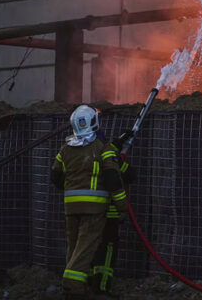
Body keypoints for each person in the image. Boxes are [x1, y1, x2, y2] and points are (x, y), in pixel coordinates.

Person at [50, 105, 129, 299]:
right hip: (94, 208)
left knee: (75, 246)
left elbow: (55, 177)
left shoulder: (65, 149)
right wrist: (122, 207)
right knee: (85, 247)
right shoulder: (102, 148)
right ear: (94, 122)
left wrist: (72, 188)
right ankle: (72, 285)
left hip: (71, 207)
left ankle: (78, 285)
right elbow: (112, 179)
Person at [91, 130, 135, 297]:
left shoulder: (81, 157)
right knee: (108, 248)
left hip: (89, 213)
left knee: (89, 247)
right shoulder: (110, 159)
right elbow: (128, 175)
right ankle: (102, 287)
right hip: (108, 214)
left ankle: (88, 284)